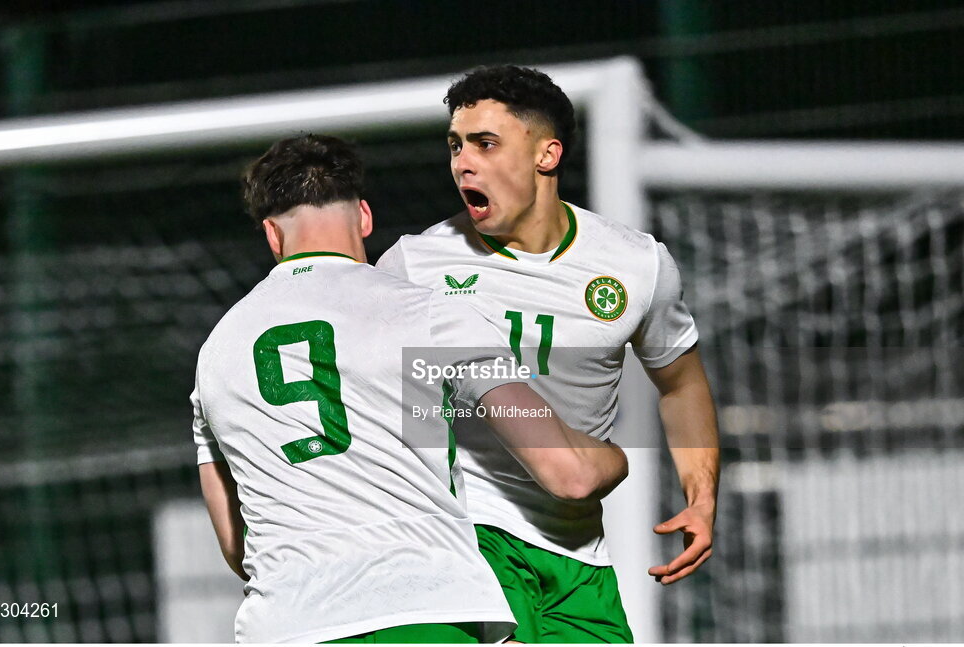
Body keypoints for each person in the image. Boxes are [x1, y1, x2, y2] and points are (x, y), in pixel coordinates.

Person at [192, 134, 629, 643]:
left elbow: (235, 545)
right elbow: (568, 473)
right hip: (424, 611)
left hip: (284, 626)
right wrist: (615, 456)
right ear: (363, 218)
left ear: (271, 234)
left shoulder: (216, 352)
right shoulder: (429, 315)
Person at [376, 65, 720, 643]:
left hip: (577, 554)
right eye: (456, 145)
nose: (464, 162)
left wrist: (702, 495)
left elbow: (681, 384)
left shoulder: (636, 265)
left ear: (547, 155)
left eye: (486, 144)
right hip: (464, 538)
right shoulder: (413, 265)